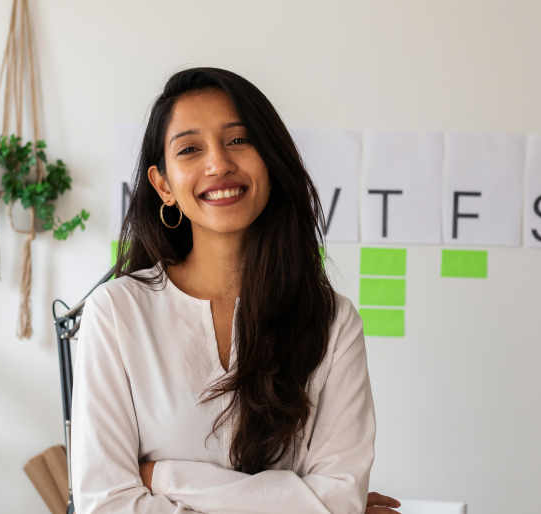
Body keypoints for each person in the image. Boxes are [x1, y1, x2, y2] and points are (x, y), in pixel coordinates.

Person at [71, 67, 401, 514]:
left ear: (271, 158)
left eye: (239, 140)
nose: (218, 164)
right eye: (189, 149)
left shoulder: (331, 320)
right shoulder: (115, 313)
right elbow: (106, 505)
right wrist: (300, 503)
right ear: (163, 185)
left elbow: (338, 499)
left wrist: (167, 478)